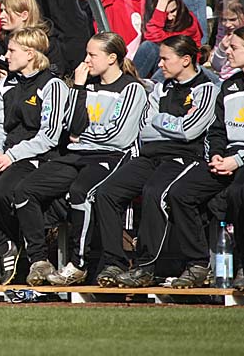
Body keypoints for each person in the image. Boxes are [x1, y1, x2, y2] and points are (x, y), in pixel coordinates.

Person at [13, 32, 147, 286]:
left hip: (111, 156)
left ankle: (79, 264)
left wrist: (83, 134)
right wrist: (79, 87)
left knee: (80, 191)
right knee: (24, 190)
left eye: (92, 55)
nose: (86, 60)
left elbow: (118, 136)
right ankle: (39, 260)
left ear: (112, 58)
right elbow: (70, 126)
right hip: (77, 154)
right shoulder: (86, 85)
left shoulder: (131, 89)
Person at [0, 27, 78, 285]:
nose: (5, 56)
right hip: (4, 154)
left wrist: (11, 156)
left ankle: (30, 254)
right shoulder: (7, 83)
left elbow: (49, 136)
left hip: (34, 157)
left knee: (3, 190)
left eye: (12, 51)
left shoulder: (52, 85)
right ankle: (4, 245)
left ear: (30, 54)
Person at [94, 35, 218, 289]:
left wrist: (161, 120)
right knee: (107, 192)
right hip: (151, 155)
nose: (159, 64)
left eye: (165, 59)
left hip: (184, 157)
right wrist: (173, 122)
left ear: (185, 60)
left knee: (155, 192)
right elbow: (144, 128)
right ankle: (114, 262)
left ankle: (146, 266)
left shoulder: (206, 89)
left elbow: (190, 131)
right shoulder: (161, 88)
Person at [165, 25, 244, 290]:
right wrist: (215, 155)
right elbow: (216, 130)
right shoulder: (228, 86)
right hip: (227, 158)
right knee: (180, 192)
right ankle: (197, 264)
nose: (228, 52)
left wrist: (237, 161)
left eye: (234, 48)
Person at [0, 0, 65, 79]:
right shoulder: (0, 43)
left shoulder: (47, 43)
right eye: (1, 10)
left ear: (24, 15)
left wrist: (13, 79)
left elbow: (56, 74)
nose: (1, 16)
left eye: (7, 12)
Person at [133, 0, 202, 79]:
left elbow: (171, 47)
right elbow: (152, 38)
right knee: (148, 46)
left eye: (173, 11)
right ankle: (131, 83)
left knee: (171, 60)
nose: (170, 17)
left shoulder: (187, 20)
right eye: (165, 13)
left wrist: (163, 5)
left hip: (183, 66)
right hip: (160, 64)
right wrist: (162, 4)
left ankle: (156, 87)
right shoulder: (153, 20)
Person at [211, 0, 244, 81]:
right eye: (223, 19)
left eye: (233, 19)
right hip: (223, 79)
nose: (227, 24)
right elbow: (216, 66)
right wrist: (221, 48)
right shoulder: (223, 29)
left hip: (241, 79)